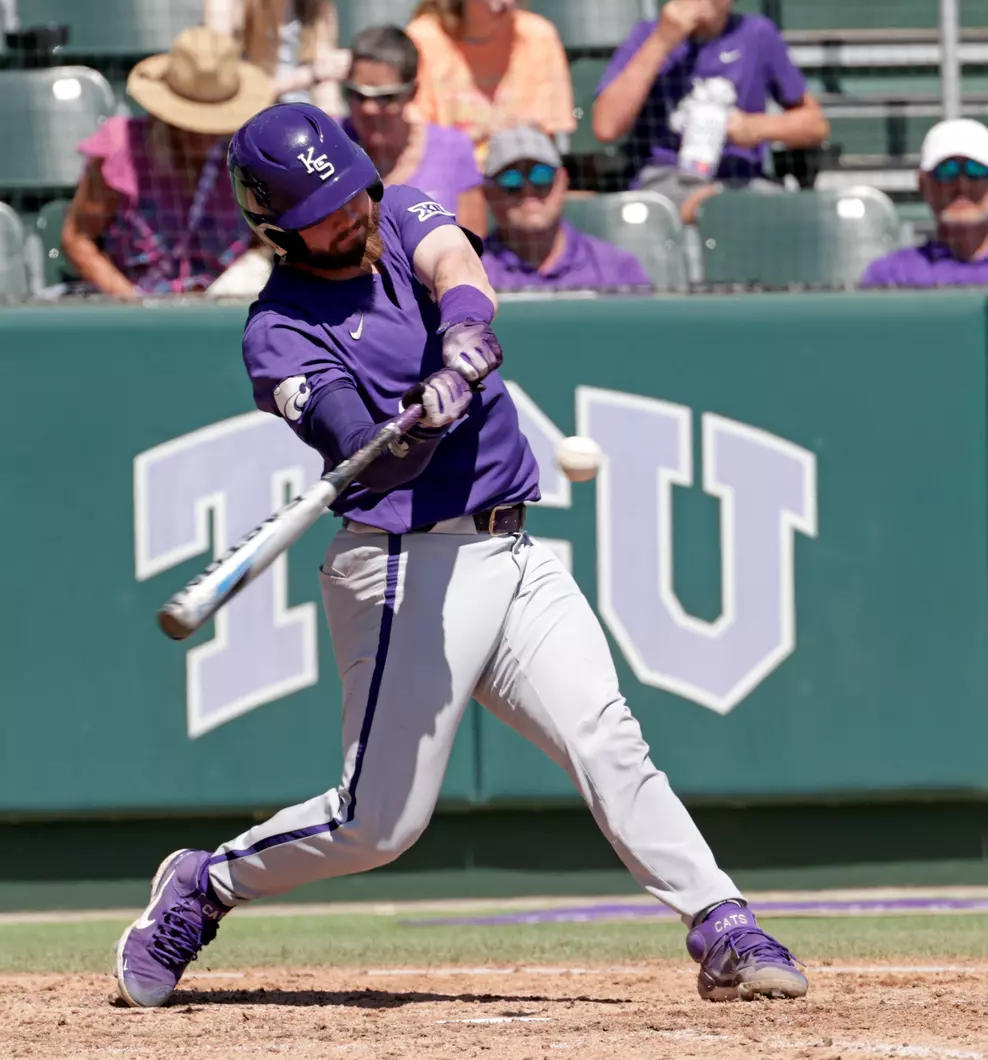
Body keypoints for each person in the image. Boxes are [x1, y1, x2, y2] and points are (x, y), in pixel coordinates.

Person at [113, 103, 808, 1011]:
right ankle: (203, 885)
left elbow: (459, 268)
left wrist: (461, 339)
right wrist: (421, 423)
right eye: (322, 209)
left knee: (609, 738)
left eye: (351, 190)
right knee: (379, 825)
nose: (351, 213)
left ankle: (720, 923)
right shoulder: (278, 333)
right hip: (405, 566)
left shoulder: (396, 211)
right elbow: (367, 448)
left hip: (512, 546)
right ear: (276, 228)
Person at [592, 0, 829, 224]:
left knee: (794, 217)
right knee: (715, 210)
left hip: (742, 181)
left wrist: (757, 128)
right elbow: (606, 127)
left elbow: (814, 124)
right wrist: (663, 40)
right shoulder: (646, 35)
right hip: (664, 181)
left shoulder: (757, 35)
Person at [61, 28, 272, 298]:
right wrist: (133, 305)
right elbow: (78, 238)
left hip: (227, 317)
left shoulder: (253, 160)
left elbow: (266, 243)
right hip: (134, 314)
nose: (201, 134)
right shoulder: (120, 150)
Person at [407, 0, 575, 166]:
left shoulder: (539, 36)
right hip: (450, 179)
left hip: (520, 181)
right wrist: (488, 130)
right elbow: (419, 142)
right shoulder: (423, 40)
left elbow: (548, 134)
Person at [342, 25, 485, 235]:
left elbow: (473, 250)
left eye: (385, 97)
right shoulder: (327, 143)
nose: (369, 109)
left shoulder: (453, 150)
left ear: (412, 92)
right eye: (358, 95)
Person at [482, 126, 651, 291]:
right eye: (511, 179)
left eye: (541, 174)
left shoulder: (618, 271)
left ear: (562, 181)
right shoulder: (471, 273)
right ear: (488, 192)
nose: (528, 191)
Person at [204, 0, 349, 116]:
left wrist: (333, 123)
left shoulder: (315, 3)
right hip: (249, 121)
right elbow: (222, 87)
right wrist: (308, 75)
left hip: (305, 122)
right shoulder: (226, 0)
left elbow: (327, 83)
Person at [861, 118, 988, 288]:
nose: (962, 185)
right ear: (922, 184)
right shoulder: (891, 276)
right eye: (946, 170)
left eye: (976, 169)